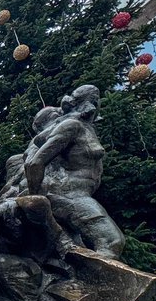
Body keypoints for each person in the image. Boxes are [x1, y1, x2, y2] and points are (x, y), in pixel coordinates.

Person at [24, 85, 124, 258]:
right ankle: (94, 280)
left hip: (80, 194)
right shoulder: (71, 126)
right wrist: (36, 198)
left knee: (86, 246)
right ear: (92, 104)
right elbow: (34, 163)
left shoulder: (85, 128)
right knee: (112, 242)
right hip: (67, 194)